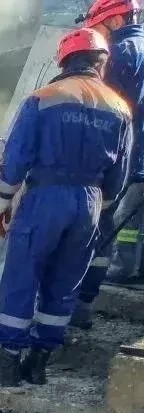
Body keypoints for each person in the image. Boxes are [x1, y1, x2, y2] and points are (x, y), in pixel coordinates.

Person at [0, 28, 132, 384]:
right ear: (101, 63)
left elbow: (17, 154)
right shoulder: (120, 108)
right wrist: (102, 201)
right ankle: (38, 363)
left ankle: (8, 363)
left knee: (23, 274)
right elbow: (121, 171)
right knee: (66, 281)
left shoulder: (44, 97)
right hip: (90, 201)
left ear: (64, 60)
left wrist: (4, 198)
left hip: (46, 197)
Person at [73, 0, 144, 328]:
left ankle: (121, 271)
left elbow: (108, 112)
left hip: (127, 157)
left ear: (115, 19)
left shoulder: (121, 53)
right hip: (138, 154)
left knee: (116, 225)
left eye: (98, 27)